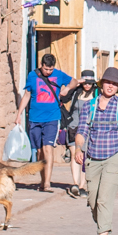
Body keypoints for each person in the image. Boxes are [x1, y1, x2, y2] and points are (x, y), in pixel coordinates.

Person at [71, 69, 118, 235]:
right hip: (93, 158)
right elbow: (82, 130)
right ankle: (105, 233)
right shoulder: (89, 106)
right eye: (108, 82)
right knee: (93, 201)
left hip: (114, 158)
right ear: (101, 83)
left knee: (104, 199)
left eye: (115, 84)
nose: (110, 86)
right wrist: (78, 149)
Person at [27, 54, 72, 192]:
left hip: (52, 117)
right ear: (41, 65)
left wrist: (67, 88)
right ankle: (42, 180)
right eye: (46, 69)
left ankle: (47, 183)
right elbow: (27, 94)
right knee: (40, 151)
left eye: (51, 69)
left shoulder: (59, 75)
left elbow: (74, 81)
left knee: (48, 148)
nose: (48, 72)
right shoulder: (32, 75)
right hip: (35, 117)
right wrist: (19, 114)